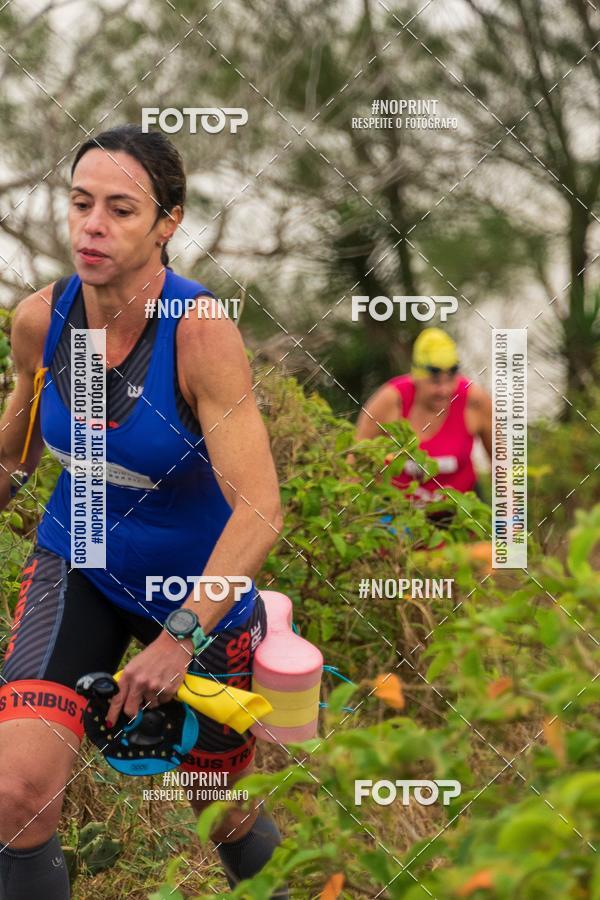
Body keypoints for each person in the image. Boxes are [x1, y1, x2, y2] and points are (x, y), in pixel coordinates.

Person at [0, 124, 287, 899]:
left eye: (121, 210)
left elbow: (261, 509)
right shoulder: (41, 319)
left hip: (196, 591)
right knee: (16, 793)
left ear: (168, 223)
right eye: (80, 203)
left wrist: (176, 639)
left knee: (217, 812)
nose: (92, 225)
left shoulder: (199, 333)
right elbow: (14, 453)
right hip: (80, 559)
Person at [353, 328, 492, 502]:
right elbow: (354, 464)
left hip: (459, 512)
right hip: (399, 512)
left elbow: (502, 465)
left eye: (450, 379)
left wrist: (510, 518)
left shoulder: (474, 401)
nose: (444, 390)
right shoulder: (389, 402)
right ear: (415, 377)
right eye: (435, 381)